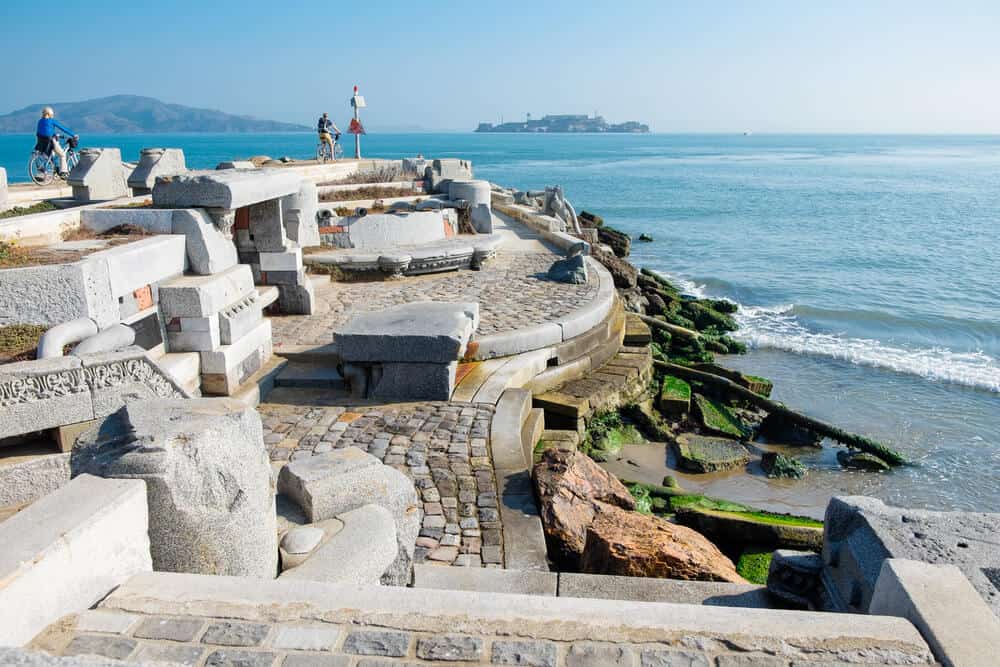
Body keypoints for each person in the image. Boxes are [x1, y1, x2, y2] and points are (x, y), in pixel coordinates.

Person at [35, 107, 76, 176]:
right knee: (62, 154)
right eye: (52, 114)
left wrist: (54, 134)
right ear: (48, 114)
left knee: (52, 155)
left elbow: (43, 132)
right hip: (50, 141)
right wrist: (73, 135)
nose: (52, 115)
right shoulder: (51, 121)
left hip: (42, 143)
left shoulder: (40, 121)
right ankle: (64, 172)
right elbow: (63, 128)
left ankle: (55, 171)